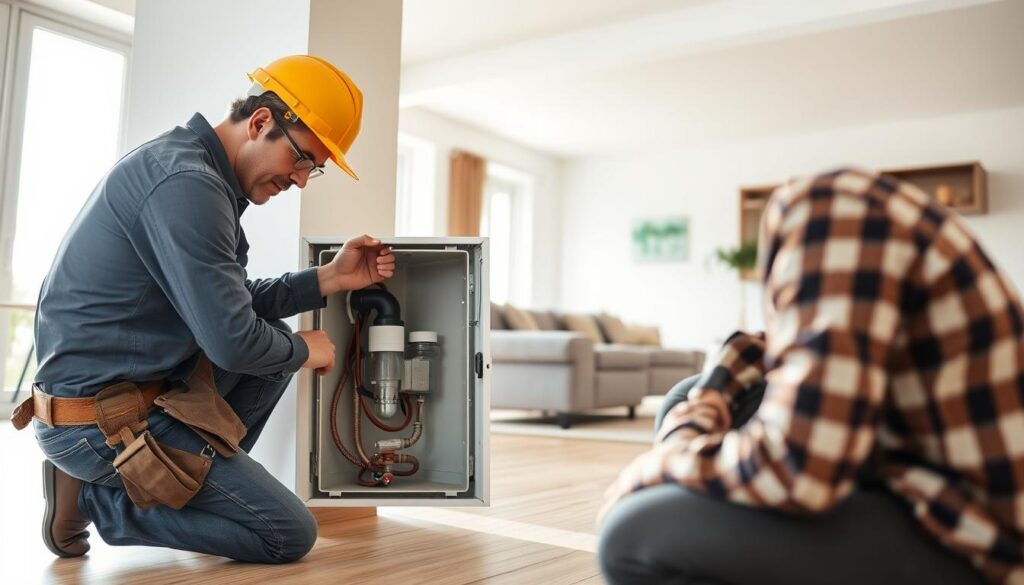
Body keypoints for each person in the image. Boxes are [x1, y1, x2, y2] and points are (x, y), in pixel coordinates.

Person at [12, 55, 395, 563]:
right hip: (98, 424)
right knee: (286, 534)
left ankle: (174, 477)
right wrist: (305, 348)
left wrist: (329, 279)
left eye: (314, 169)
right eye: (302, 159)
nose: (302, 179)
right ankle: (95, 496)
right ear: (261, 122)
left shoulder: (197, 174)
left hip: (127, 397)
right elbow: (232, 340)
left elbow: (227, 302)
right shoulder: (186, 185)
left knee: (273, 346)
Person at [599, 168, 1024, 584]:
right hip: (913, 472)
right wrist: (708, 400)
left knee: (632, 531)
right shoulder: (849, 214)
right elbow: (763, 347)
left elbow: (799, 472)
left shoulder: (830, 214)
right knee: (687, 393)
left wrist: (654, 466)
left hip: (981, 537)